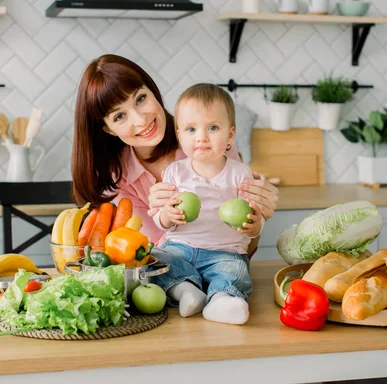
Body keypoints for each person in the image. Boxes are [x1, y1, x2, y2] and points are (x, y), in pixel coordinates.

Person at [70, 54, 278, 256]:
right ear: (109, 129)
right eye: (120, 116)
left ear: (152, 91)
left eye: (140, 98)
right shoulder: (122, 178)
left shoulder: (210, 143)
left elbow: (242, 246)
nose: (141, 120)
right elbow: (152, 254)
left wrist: (259, 218)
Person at [150, 83, 261, 325]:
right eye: (191, 129)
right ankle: (186, 292)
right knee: (155, 258)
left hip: (225, 252)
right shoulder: (175, 173)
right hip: (181, 248)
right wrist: (168, 215)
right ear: (179, 136)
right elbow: (161, 220)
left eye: (212, 127)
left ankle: (222, 300)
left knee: (235, 273)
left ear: (230, 135)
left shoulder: (241, 174)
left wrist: (254, 226)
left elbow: (254, 218)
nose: (201, 137)